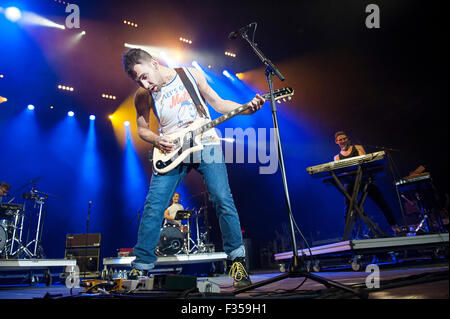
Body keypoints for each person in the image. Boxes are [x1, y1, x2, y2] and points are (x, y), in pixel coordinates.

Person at [122, 48, 265, 288]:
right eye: (139, 81)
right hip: (172, 151)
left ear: (155, 63)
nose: (145, 83)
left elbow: (218, 103)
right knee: (153, 206)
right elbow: (142, 128)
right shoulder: (143, 95)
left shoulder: (190, 75)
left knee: (222, 198)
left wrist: (246, 107)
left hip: (206, 142)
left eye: (145, 76)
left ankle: (237, 262)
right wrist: (156, 140)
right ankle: (142, 266)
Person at [333, 131, 401, 235]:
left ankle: (395, 227)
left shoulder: (358, 148)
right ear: (336, 142)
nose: (342, 141)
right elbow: (341, 172)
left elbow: (364, 161)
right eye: (340, 139)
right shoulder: (337, 157)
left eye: (344, 138)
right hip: (351, 182)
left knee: (381, 202)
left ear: (348, 139)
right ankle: (350, 233)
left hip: (364, 179)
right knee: (349, 206)